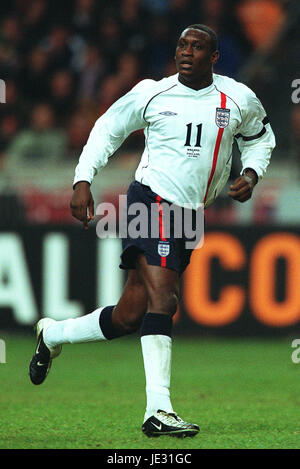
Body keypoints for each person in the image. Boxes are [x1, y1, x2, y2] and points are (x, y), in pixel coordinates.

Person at [29, 24, 275, 438]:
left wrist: (251, 173)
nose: (187, 52)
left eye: (197, 47)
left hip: (189, 214)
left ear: (214, 58)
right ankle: (158, 409)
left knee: (129, 316)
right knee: (166, 297)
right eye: (182, 44)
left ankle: (51, 333)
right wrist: (82, 180)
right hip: (151, 200)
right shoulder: (151, 93)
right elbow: (108, 128)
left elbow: (261, 139)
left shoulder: (238, 97)